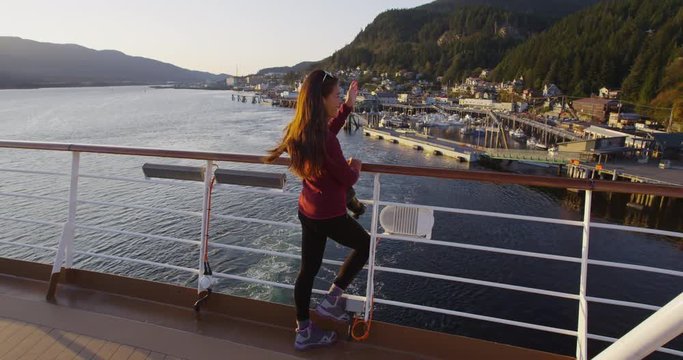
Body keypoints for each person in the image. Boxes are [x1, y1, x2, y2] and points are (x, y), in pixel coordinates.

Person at [265, 69, 370, 350]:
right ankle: (331, 300)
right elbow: (348, 178)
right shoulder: (324, 140)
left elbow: (329, 133)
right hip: (329, 214)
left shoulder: (303, 131)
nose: (338, 100)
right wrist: (356, 165)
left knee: (307, 271)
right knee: (365, 245)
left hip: (308, 211)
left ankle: (304, 332)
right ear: (321, 99)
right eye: (336, 95)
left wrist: (348, 106)